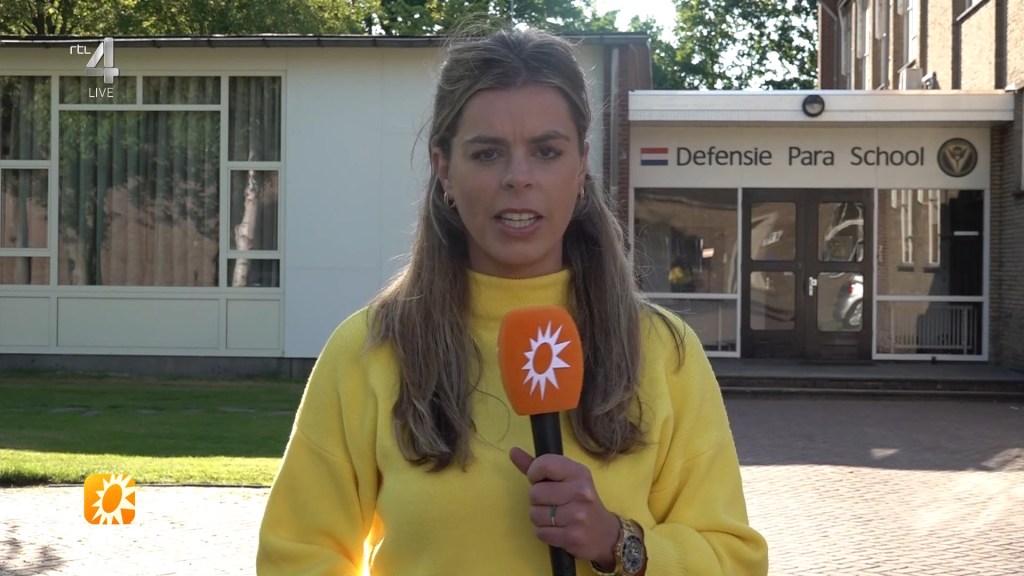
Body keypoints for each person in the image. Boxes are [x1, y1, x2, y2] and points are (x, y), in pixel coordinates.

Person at [256, 27, 768, 575]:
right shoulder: (370, 350)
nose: (518, 178)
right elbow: (296, 556)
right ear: (443, 168)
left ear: (581, 166)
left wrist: (617, 542)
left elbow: (735, 561)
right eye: (487, 153)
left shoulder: (663, 352)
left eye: (547, 151)